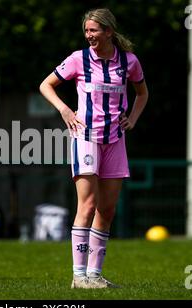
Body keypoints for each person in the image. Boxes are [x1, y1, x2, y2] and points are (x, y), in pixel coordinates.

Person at [39, 8, 148, 289]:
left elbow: (142, 93)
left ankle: (95, 276)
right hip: (85, 137)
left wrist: (132, 119)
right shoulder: (78, 59)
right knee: (86, 205)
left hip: (115, 140)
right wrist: (64, 109)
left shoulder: (129, 61)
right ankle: (78, 276)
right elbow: (46, 85)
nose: (89, 36)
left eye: (94, 31)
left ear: (109, 32)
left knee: (107, 209)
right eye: (87, 31)